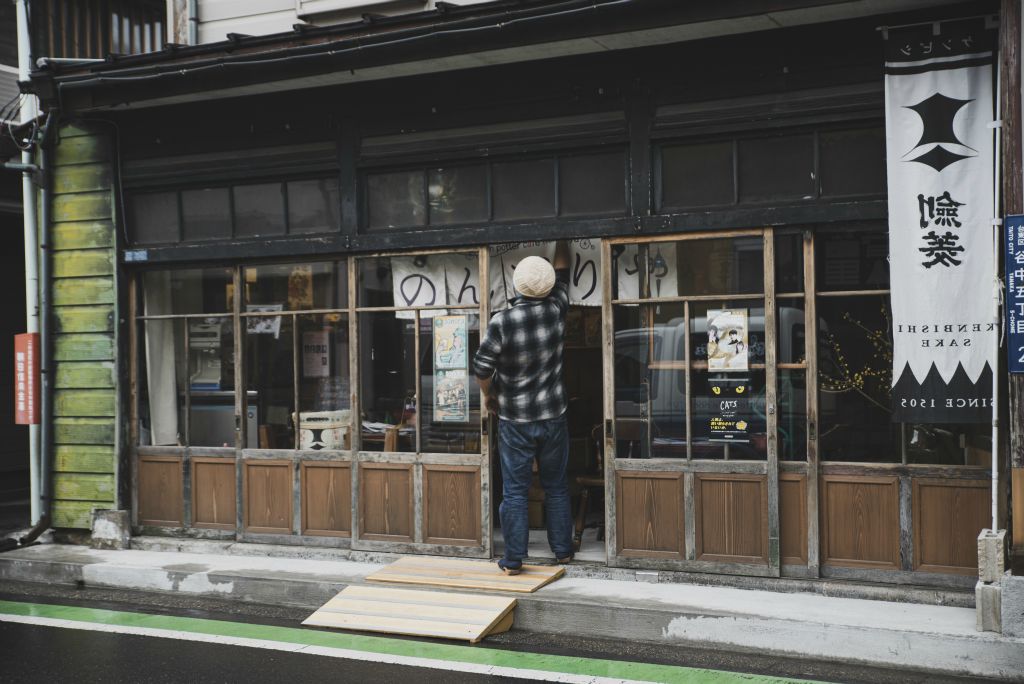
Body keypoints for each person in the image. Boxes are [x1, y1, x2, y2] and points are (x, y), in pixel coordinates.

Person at [473, 242, 573, 575]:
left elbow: (482, 368)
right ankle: (562, 551)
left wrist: (490, 396)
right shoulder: (557, 308)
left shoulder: (503, 320)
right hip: (553, 415)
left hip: (514, 418)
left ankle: (514, 560)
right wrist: (563, 240)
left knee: (515, 490)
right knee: (556, 485)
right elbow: (563, 273)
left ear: (516, 283)